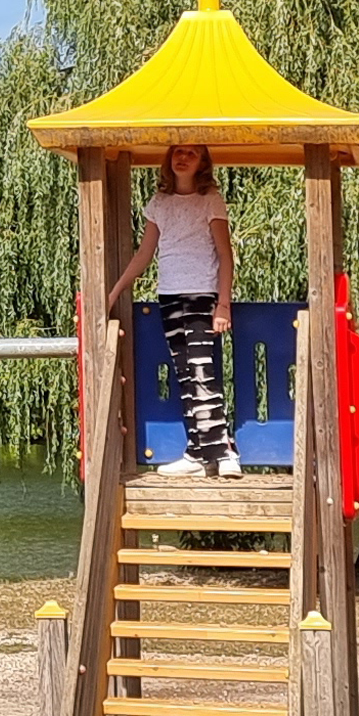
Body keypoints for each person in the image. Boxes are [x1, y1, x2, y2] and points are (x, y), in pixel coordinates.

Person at [107, 143, 240, 477]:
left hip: (201, 296)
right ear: (168, 160)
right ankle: (198, 452)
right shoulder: (159, 204)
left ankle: (225, 451)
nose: (183, 157)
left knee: (201, 370)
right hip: (169, 296)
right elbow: (144, 255)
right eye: (178, 151)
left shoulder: (210, 200)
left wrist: (222, 305)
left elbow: (225, 256)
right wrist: (114, 292)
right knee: (185, 375)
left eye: (192, 153)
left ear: (203, 162)